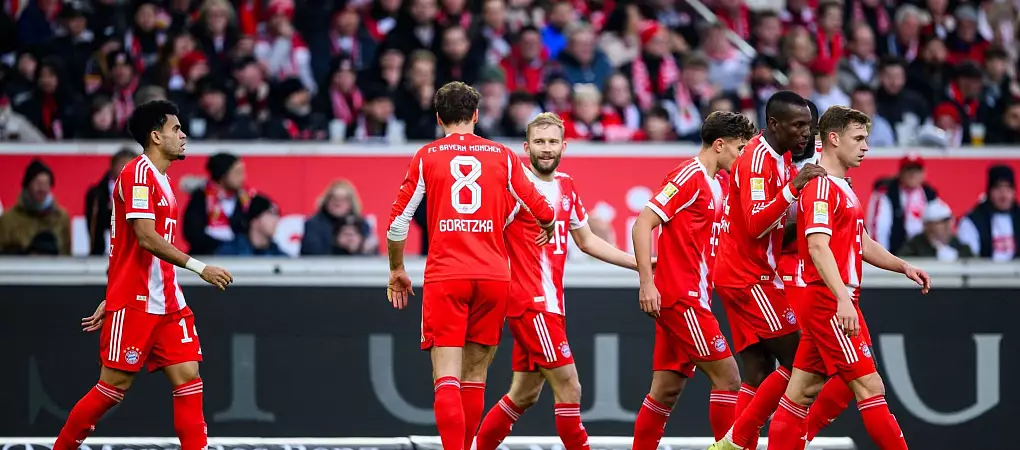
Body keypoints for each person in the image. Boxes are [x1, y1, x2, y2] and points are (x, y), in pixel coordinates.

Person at [53, 100, 233, 450]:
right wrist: (201, 268)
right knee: (112, 388)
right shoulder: (137, 174)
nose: (183, 135)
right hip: (136, 301)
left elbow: (129, 249)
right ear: (156, 136)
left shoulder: (163, 180)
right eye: (176, 129)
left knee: (189, 379)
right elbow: (145, 238)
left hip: (168, 300)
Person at [385, 81, 556, 450]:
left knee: (446, 377)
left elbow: (398, 223)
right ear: (476, 115)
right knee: (475, 375)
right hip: (493, 276)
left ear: (439, 118)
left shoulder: (427, 156)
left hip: (447, 275)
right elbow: (542, 208)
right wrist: (548, 225)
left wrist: (396, 268)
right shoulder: (503, 156)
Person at [767, 105, 930, 450]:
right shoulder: (821, 188)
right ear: (833, 138)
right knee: (870, 387)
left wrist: (902, 266)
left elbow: (863, 242)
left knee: (801, 393)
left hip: (836, 298)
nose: (865, 146)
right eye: (858, 138)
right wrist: (842, 299)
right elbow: (817, 247)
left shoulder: (842, 186)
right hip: (830, 299)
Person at [474, 112, 639, 450]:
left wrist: (639, 264)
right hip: (531, 303)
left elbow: (587, 241)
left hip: (551, 305)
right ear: (527, 148)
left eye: (552, 142)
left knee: (524, 394)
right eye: (539, 142)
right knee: (570, 387)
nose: (546, 148)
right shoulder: (514, 189)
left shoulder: (567, 185)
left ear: (564, 146)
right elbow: (485, 235)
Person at [708, 91, 830, 450]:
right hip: (750, 278)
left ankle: (737, 445)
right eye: (798, 125)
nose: (805, 132)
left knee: (759, 373)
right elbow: (756, 224)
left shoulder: (780, 156)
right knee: (802, 362)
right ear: (774, 124)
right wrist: (795, 187)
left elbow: (776, 225)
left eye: (809, 126)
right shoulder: (757, 160)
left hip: (741, 272)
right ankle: (736, 440)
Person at [630, 111, 756, 448]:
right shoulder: (688, 175)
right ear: (719, 145)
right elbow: (642, 224)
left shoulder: (720, 183)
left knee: (665, 390)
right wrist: (647, 283)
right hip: (682, 298)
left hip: (693, 297)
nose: (742, 157)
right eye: (740, 149)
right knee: (729, 378)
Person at [85, 148, 138, 255]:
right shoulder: (96, 195)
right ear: (113, 166)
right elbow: (94, 228)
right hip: (103, 254)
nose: (126, 169)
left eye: (131, 165)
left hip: (133, 254)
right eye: (122, 164)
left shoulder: (143, 192)